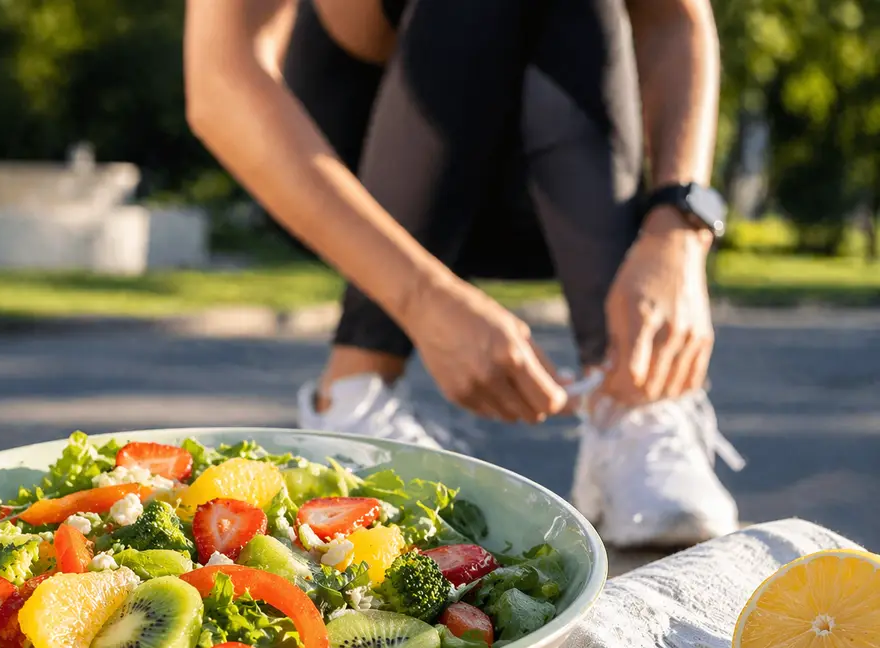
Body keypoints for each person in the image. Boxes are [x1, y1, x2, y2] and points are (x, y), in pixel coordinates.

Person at [182, 0, 744, 547]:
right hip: (344, 164)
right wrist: (421, 298)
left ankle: (635, 405)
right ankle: (354, 393)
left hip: (565, 178)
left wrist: (679, 232)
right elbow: (218, 80)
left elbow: (674, 16)